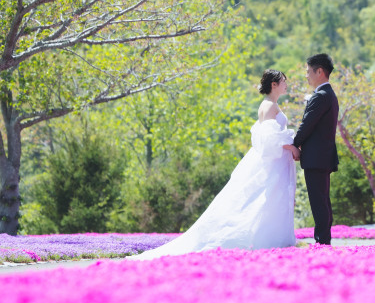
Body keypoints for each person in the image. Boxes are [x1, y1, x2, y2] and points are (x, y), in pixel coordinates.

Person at [128, 70, 297, 260]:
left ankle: (273, 239)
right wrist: (292, 147)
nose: (286, 84)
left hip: (277, 162)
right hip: (271, 162)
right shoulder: (269, 106)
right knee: (262, 200)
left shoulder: (271, 105)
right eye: (283, 81)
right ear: (274, 84)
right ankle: (263, 239)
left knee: (271, 199)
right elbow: (268, 138)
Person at [284, 54, 339, 245]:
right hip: (322, 157)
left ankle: (322, 241)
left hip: (317, 158)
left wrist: (294, 144)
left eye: (308, 71)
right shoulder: (329, 95)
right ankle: (324, 240)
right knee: (322, 200)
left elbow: (307, 125)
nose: (306, 75)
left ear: (320, 72)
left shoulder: (321, 96)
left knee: (319, 202)